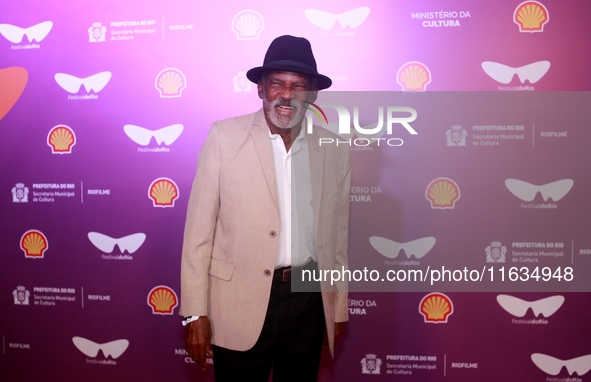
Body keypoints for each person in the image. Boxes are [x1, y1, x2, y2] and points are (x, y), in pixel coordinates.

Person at [180, 35, 350, 381]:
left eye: (298, 86)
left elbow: (338, 239)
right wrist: (194, 313)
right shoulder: (223, 138)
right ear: (261, 89)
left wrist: (338, 305)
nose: (287, 95)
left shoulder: (334, 150)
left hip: (308, 301)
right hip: (237, 303)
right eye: (277, 84)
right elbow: (198, 236)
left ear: (312, 94)